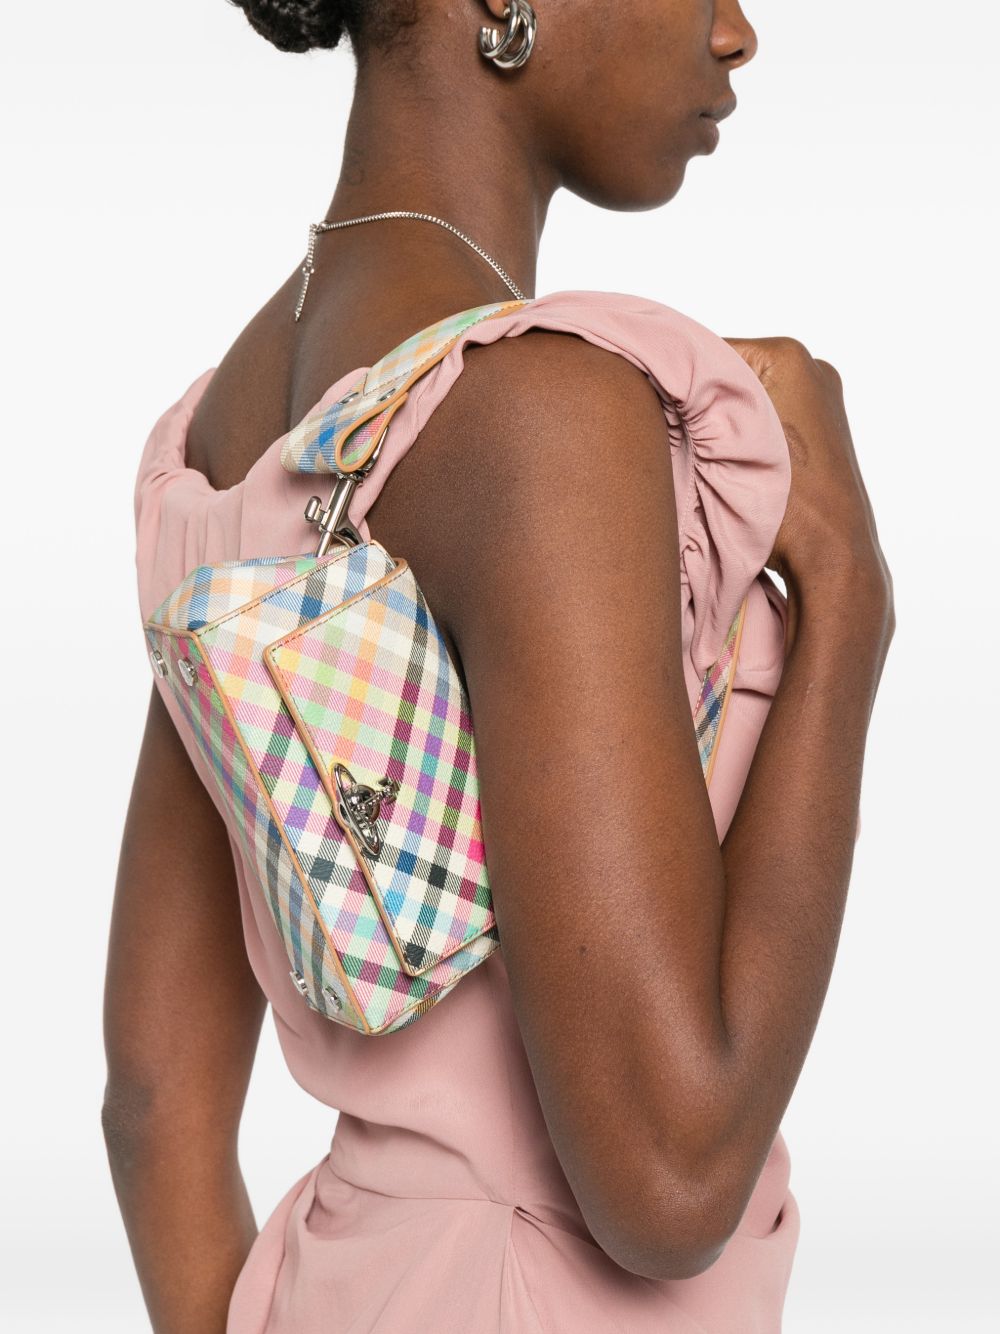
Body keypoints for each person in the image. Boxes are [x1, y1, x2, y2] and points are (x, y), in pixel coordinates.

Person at [102, 1, 895, 1330]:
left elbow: (152, 1100)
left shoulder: (229, 428)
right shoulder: (547, 418)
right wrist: (849, 603)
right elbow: (669, 1182)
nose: (738, 31)